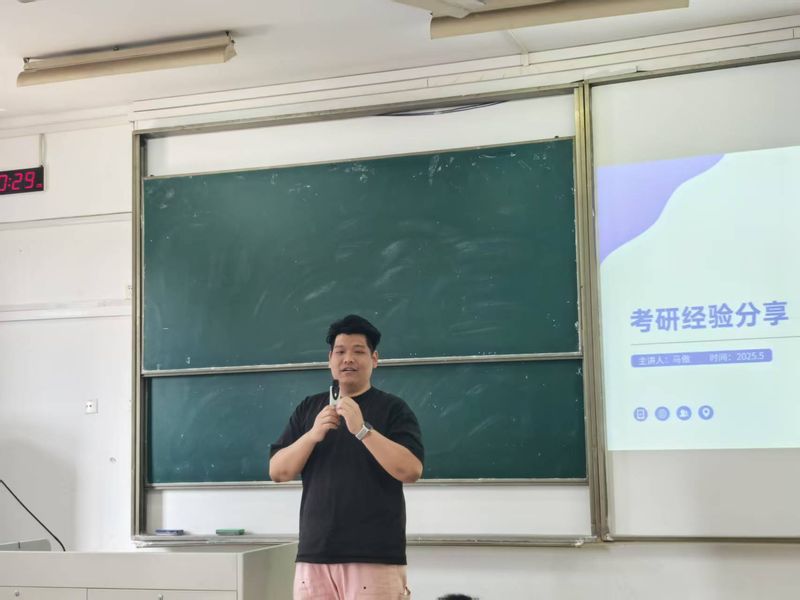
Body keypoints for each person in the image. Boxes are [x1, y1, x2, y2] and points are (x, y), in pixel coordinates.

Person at [270, 314, 425, 600]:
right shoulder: (309, 408)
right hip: (314, 556)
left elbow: (411, 470)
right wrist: (312, 435)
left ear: (374, 359)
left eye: (358, 351)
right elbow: (278, 471)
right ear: (330, 359)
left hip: (375, 556)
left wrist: (363, 430)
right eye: (340, 351)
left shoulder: (394, 409)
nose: (348, 359)